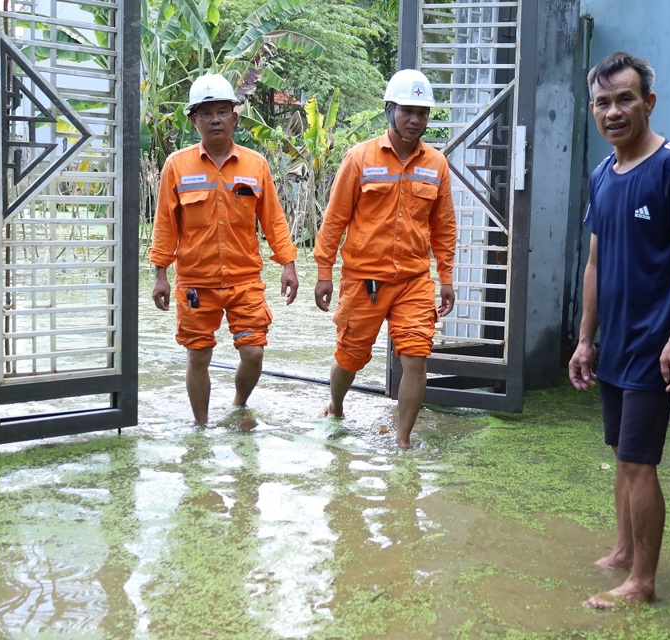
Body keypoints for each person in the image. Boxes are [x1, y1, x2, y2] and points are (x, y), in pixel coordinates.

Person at [568, 52, 670, 608]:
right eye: (603, 102)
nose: (614, 111)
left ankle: (643, 583)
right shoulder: (602, 174)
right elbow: (595, 262)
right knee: (620, 454)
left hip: (657, 345)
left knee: (639, 461)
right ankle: (624, 551)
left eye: (625, 99)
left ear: (648, 103)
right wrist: (586, 339)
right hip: (615, 343)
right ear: (593, 110)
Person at [313, 69, 457, 449]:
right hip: (365, 279)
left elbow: (444, 228)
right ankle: (337, 405)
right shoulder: (360, 158)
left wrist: (445, 279)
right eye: (407, 111)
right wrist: (324, 272)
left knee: (416, 357)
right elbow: (334, 220)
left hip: (413, 280)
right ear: (389, 110)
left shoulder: (436, 165)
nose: (415, 120)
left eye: (422, 113)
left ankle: (403, 439)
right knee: (350, 356)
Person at [150, 72, 299, 426]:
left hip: (244, 279)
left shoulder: (255, 165)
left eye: (222, 111)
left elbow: (273, 220)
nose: (215, 119)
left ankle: (238, 403)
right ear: (193, 120)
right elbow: (165, 225)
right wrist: (160, 275)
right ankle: (200, 426)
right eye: (206, 113)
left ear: (235, 116)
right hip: (195, 283)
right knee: (198, 356)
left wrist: (288, 264)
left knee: (253, 351)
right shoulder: (177, 165)